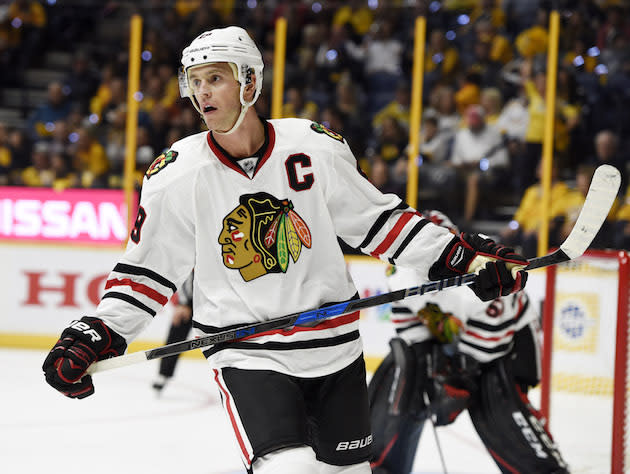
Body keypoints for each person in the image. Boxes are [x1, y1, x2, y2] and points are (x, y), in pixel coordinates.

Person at [42, 26, 528, 474]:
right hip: (248, 353)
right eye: (195, 81)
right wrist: (96, 332)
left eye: (216, 77)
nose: (203, 91)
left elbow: (380, 223)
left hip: (335, 350)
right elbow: (145, 274)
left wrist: (464, 257)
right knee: (289, 469)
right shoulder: (175, 175)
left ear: (249, 82)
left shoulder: (313, 147)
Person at [369, 211, 569, 474]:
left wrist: (459, 380)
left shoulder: (481, 266)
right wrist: (429, 364)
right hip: (456, 339)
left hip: (507, 345)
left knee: (496, 394)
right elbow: (409, 329)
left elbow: (492, 340)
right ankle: (380, 464)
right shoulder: (400, 275)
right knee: (404, 366)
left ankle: (540, 466)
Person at [152, 272, 194, 394]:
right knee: (176, 335)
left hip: (211, 303)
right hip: (189, 304)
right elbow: (186, 278)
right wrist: (184, 304)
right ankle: (163, 374)